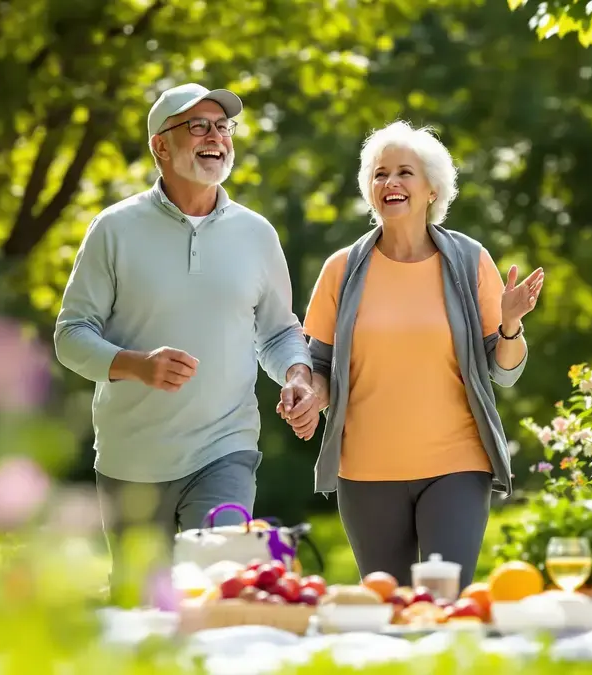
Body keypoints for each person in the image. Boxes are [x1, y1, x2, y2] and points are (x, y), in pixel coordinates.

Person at [54, 83, 317, 601]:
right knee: (138, 606)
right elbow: (70, 335)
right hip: (132, 457)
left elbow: (279, 330)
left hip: (226, 446)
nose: (215, 137)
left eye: (222, 127)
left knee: (223, 588)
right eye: (197, 126)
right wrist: (136, 365)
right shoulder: (114, 229)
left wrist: (298, 375)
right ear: (161, 146)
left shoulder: (256, 233)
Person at [284, 121, 544, 592]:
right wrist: (306, 395)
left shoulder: (468, 261)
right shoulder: (341, 270)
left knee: (446, 601)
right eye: (380, 174)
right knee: (388, 607)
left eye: (405, 172)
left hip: (457, 465)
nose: (391, 183)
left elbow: (504, 372)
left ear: (432, 190)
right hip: (366, 471)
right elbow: (318, 368)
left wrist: (509, 324)